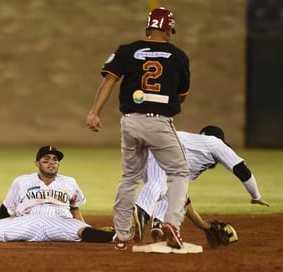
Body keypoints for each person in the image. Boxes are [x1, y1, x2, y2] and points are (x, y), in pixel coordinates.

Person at [86, 7, 191, 250]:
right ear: (166, 29)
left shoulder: (127, 50)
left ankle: (122, 235)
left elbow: (109, 80)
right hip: (159, 122)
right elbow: (181, 95)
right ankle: (172, 223)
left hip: (131, 121)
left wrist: (95, 112)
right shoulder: (178, 56)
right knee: (178, 173)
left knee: (130, 178)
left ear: (148, 27)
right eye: (169, 31)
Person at [0, 146, 115, 243]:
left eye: (55, 160)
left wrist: (87, 227)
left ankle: (119, 234)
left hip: (60, 220)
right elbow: (6, 207)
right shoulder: (22, 181)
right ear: (37, 164)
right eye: (46, 160)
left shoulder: (70, 182)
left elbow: (75, 207)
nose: (51, 163)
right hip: (29, 219)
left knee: (85, 233)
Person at [133, 125, 270, 243]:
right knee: (158, 182)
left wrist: (205, 226)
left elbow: (183, 200)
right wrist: (256, 195)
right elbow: (241, 169)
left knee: (167, 191)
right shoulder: (216, 143)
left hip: (149, 149)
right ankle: (141, 210)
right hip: (166, 146)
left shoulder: (192, 149)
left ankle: (157, 223)